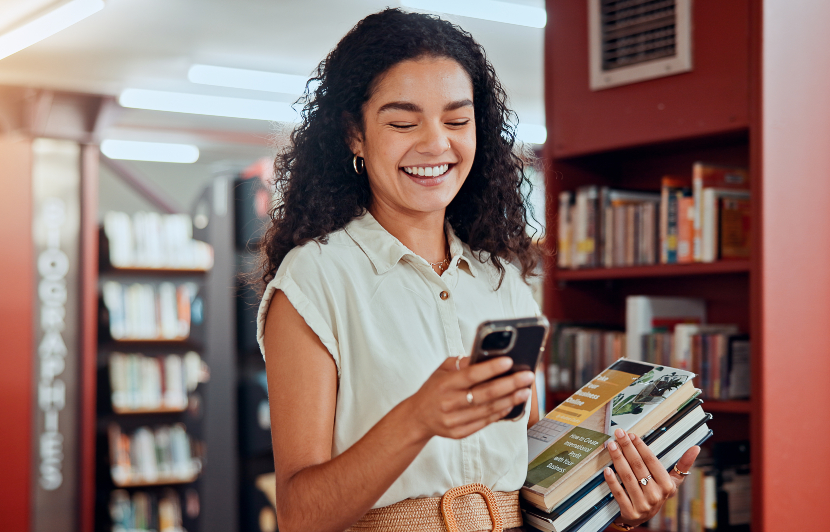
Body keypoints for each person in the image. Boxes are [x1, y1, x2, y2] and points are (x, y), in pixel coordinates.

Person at [257, 9, 699, 532]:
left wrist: (616, 506)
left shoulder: (503, 282)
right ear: (355, 133)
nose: (436, 143)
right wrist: (416, 420)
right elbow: (299, 515)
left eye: (457, 120)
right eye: (402, 121)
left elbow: (533, 490)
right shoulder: (314, 280)